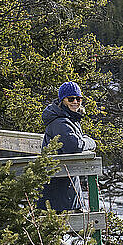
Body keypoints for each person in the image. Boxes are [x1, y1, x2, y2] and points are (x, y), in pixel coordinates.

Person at [37, 81, 96, 212]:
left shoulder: (69, 118)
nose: (75, 102)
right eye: (71, 99)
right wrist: (91, 142)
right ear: (62, 100)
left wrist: (82, 139)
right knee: (63, 227)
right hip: (58, 188)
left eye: (78, 98)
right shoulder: (60, 122)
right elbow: (74, 145)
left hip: (64, 182)